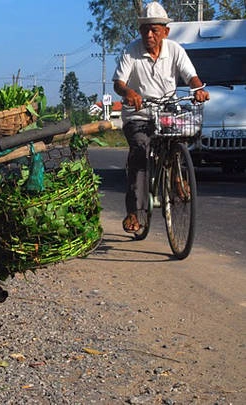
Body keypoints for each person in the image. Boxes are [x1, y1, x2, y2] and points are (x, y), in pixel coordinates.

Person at [112, 1, 209, 234]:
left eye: (154, 29)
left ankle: (177, 175)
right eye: (145, 29)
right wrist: (129, 93)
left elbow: (191, 76)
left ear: (165, 31)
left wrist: (198, 89)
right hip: (139, 115)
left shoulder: (175, 50)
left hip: (167, 111)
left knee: (180, 136)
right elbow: (119, 83)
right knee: (141, 152)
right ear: (139, 31)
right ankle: (135, 212)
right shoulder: (131, 51)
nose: (149, 34)